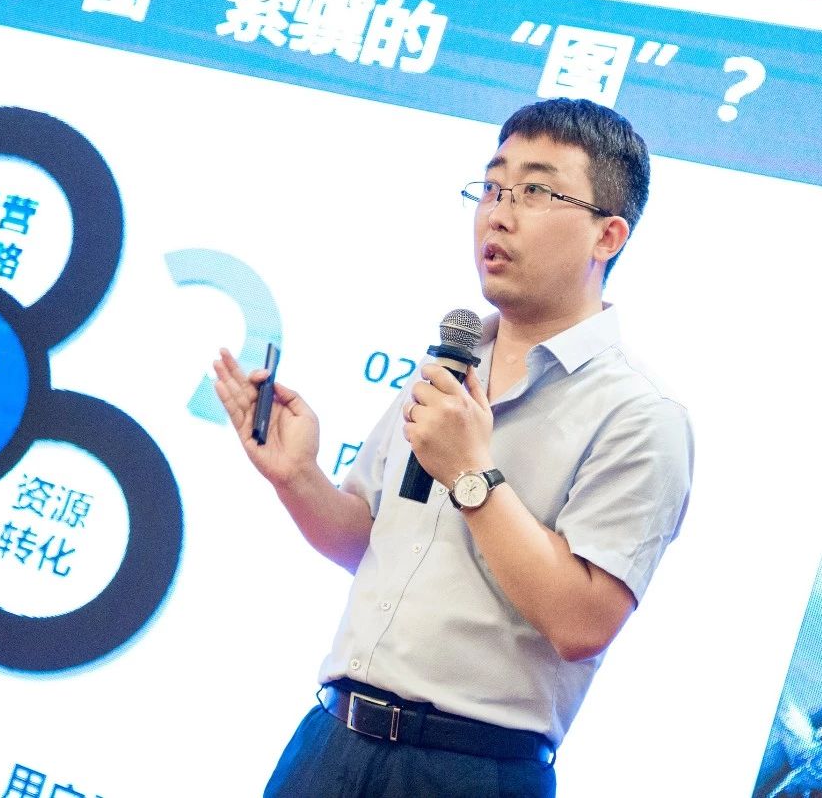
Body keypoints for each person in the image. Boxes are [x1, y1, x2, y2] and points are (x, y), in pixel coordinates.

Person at [213, 97, 693, 798]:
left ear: (607, 235)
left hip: (469, 769)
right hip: (332, 742)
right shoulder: (448, 367)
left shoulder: (639, 417)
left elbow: (581, 621)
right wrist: (298, 477)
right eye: (492, 187)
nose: (498, 213)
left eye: (535, 191)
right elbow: (368, 542)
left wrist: (471, 473)